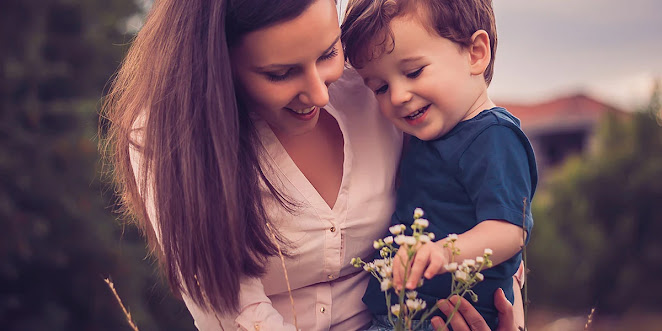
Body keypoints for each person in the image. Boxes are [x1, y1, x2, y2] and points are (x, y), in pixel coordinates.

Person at [101, 0, 524, 330]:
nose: (321, 94)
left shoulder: (379, 85)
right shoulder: (168, 140)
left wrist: (509, 316)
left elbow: (484, 205)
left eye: (328, 53)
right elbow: (232, 312)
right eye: (281, 73)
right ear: (218, 65)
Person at [341, 0, 537, 329]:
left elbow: (510, 231)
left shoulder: (495, 137)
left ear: (476, 53)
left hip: (452, 317)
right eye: (381, 87)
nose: (398, 96)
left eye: (414, 71)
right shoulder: (427, 133)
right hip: (400, 313)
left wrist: (445, 252)